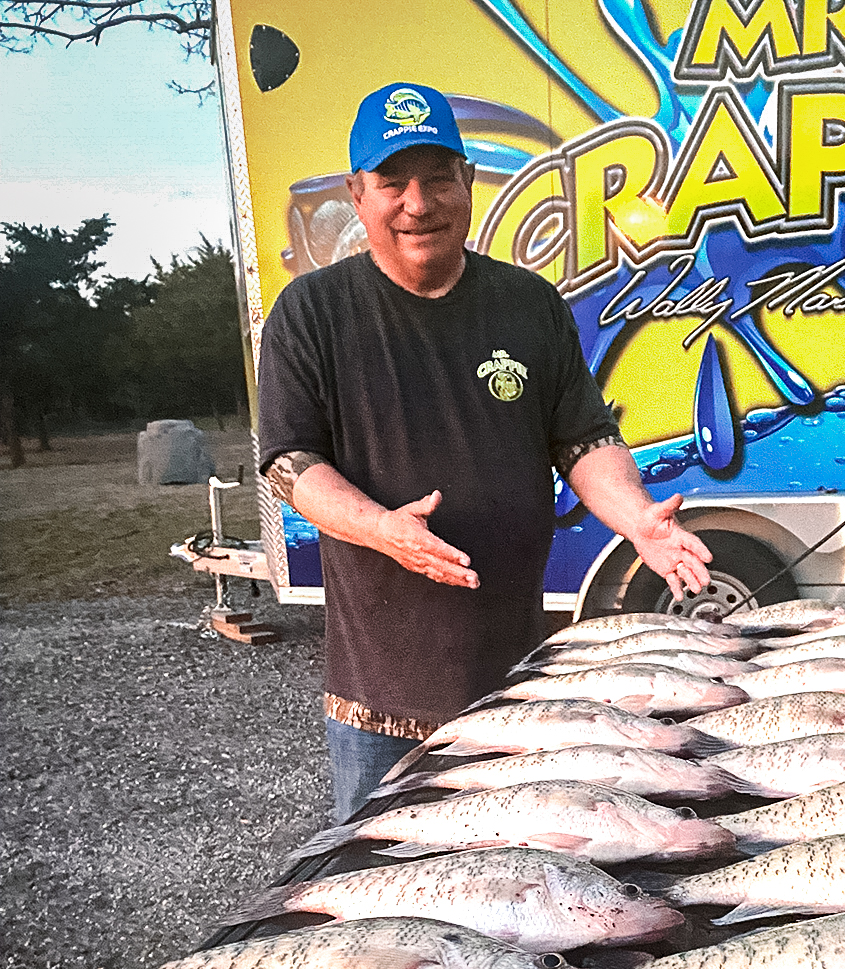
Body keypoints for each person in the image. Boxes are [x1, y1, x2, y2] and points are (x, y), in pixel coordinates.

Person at [256, 81, 712, 822]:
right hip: (380, 702)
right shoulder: (312, 312)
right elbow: (289, 462)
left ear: (468, 182)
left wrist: (636, 519)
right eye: (393, 181)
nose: (418, 202)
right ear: (356, 193)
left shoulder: (529, 304)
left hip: (519, 689)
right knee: (387, 899)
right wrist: (380, 528)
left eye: (439, 177)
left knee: (519, 890)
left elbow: (583, 439)